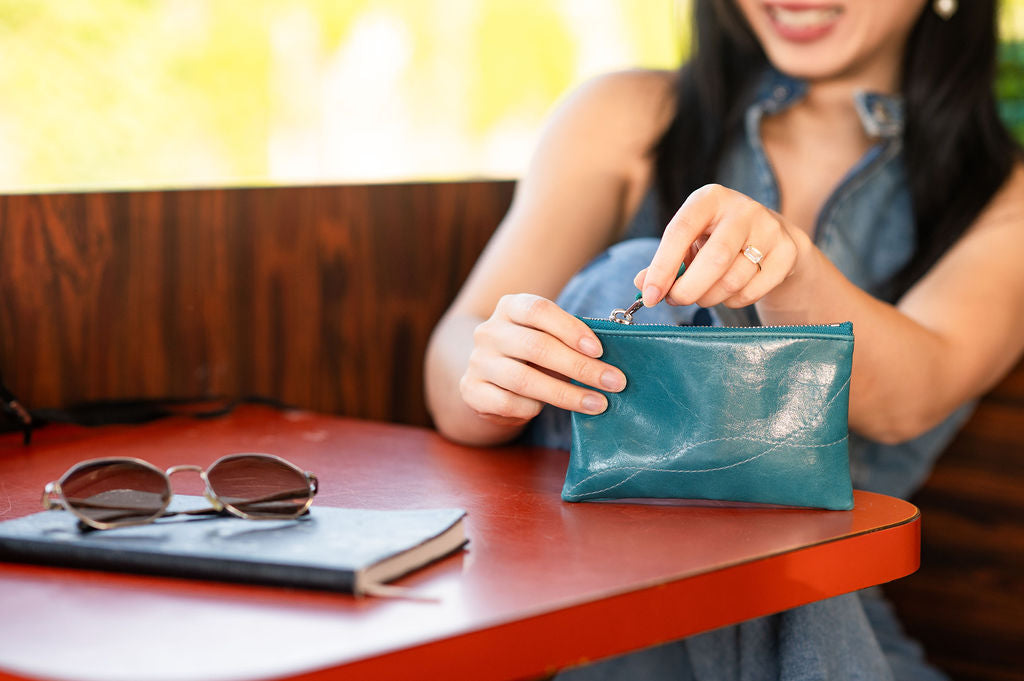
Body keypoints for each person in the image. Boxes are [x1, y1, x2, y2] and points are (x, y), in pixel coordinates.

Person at [425, 0, 1024, 678]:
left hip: (830, 636)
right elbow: (460, 345)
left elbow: (913, 395)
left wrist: (787, 266)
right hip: (602, 625)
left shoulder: (1005, 199)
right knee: (631, 275)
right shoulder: (627, 116)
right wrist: (496, 373)